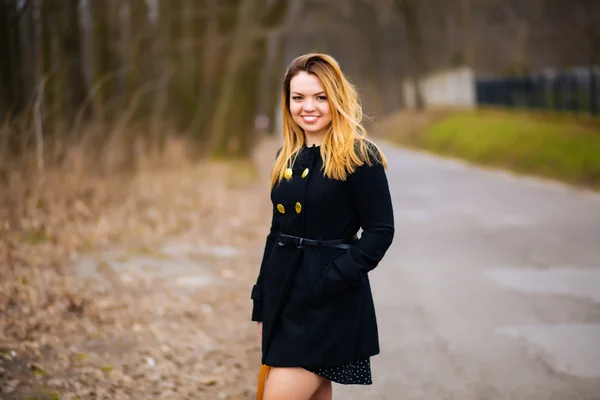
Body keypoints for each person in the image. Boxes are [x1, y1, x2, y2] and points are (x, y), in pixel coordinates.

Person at [250, 53, 395, 400]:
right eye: (298, 97)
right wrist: (262, 302)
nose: (308, 107)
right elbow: (277, 234)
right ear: (287, 102)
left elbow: (380, 231)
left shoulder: (360, 155)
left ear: (336, 99)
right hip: (285, 298)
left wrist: (333, 277)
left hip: (329, 303)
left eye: (320, 97)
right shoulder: (285, 156)